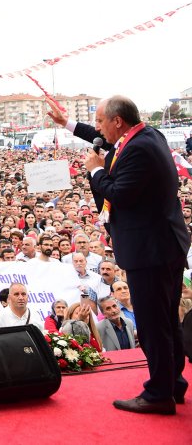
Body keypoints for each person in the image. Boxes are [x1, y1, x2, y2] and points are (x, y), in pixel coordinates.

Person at [50, 94, 190, 414]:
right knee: (167, 320)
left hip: (150, 250)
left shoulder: (137, 150)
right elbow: (102, 140)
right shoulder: (145, 134)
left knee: (154, 325)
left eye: (100, 121)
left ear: (117, 122)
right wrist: (67, 124)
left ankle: (159, 395)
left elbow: (120, 195)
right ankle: (174, 383)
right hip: (164, 244)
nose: (98, 128)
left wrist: (97, 171)